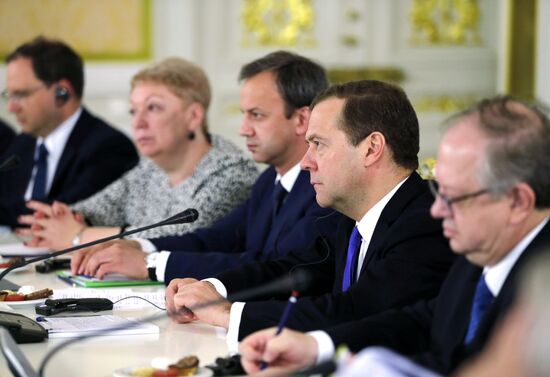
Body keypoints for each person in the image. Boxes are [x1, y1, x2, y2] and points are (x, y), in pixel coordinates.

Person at [238, 96, 550, 376]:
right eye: (437, 191)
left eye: (453, 198)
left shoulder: (540, 286)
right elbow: (425, 321)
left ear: (518, 202)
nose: (439, 210)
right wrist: (315, 346)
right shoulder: (482, 255)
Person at [166, 80, 455, 352]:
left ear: (371, 148)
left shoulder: (427, 221)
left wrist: (229, 313)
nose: (305, 163)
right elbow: (295, 271)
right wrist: (212, 288)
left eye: (318, 144)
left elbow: (359, 311)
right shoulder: (347, 218)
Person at [69, 50, 340, 282]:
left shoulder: (325, 190)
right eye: (243, 114)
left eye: (256, 115)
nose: (243, 129)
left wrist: (152, 264)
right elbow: (214, 239)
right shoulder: (270, 180)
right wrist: (138, 246)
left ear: (302, 120)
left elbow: (271, 266)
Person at [16, 57, 258, 250]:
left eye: (153, 108)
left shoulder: (232, 174)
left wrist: (79, 235)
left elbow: (181, 238)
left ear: (193, 116)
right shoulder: (150, 167)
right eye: (134, 111)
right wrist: (60, 219)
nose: (138, 122)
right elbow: (98, 208)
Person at [0, 36, 138, 227]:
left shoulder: (109, 147)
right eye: (9, 95)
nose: (11, 108)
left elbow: (63, 212)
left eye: (21, 95)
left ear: (62, 92)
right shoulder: (22, 144)